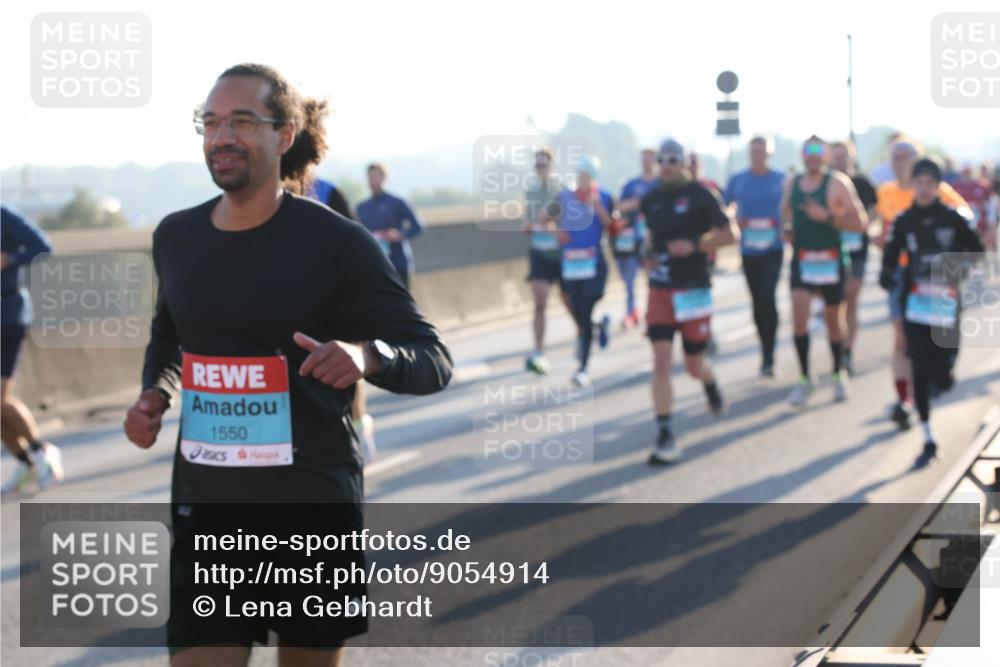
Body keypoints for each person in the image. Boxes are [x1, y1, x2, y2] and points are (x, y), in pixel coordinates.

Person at [123, 63, 453, 666]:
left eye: (242, 122)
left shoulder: (337, 243)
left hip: (309, 508)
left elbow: (434, 359)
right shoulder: (176, 237)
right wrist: (156, 393)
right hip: (209, 512)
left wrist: (366, 356)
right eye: (211, 122)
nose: (222, 137)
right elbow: (168, 338)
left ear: (286, 133)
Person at [880, 158, 983, 468]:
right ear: (913, 185)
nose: (923, 189)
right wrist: (887, 274)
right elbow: (890, 254)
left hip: (946, 303)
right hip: (916, 305)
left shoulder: (953, 219)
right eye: (919, 182)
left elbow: (976, 251)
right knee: (920, 368)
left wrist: (956, 268)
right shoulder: (904, 220)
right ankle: (927, 436)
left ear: (937, 185)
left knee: (943, 375)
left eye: (929, 182)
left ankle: (942, 377)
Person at [642, 139, 737, 464]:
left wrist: (697, 244)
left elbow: (730, 235)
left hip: (693, 287)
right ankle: (665, 432)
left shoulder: (701, 195)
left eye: (672, 159)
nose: (666, 164)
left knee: (694, 366)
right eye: (662, 159)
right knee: (661, 360)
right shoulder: (650, 198)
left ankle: (709, 382)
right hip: (661, 289)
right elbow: (648, 240)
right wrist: (646, 257)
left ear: (682, 162)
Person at [873, 137, 970, 429]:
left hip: (936, 278)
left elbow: (964, 221)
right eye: (896, 156)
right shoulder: (886, 192)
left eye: (907, 155)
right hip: (904, 277)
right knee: (903, 339)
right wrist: (886, 253)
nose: (901, 160)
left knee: (936, 341)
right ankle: (906, 399)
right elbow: (886, 231)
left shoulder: (940, 192)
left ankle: (934, 378)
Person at [782, 136, 868, 406]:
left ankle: (837, 371)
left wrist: (828, 216)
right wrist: (786, 230)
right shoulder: (792, 184)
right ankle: (806, 378)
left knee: (833, 320)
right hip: (803, 259)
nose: (814, 156)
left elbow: (861, 223)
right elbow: (783, 215)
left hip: (831, 259)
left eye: (819, 151)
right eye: (809, 151)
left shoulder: (838, 184)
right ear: (802, 154)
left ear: (827, 156)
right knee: (799, 318)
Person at [305, 178, 375, 461]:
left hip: (336, 296)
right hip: (293, 301)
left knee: (347, 365)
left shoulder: (326, 191)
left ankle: (359, 428)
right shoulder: (259, 193)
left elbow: (356, 242)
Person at [0, 206, 63, 495]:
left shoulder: (4, 217)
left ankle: (42, 451)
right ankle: (27, 464)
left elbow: (43, 247)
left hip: (8, 316)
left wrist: (11, 258)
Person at [724, 136, 787, 377]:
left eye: (761, 151)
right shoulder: (738, 180)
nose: (757, 155)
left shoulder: (781, 179)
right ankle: (764, 350)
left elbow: (790, 208)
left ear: (769, 153)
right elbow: (725, 208)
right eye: (753, 151)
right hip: (749, 250)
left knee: (768, 297)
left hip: (773, 248)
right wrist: (733, 220)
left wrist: (786, 225)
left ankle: (770, 356)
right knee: (757, 301)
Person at [556, 156, 613, 388]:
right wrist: (556, 232)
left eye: (587, 176)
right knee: (579, 312)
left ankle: (583, 367)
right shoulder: (563, 198)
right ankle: (597, 327)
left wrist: (599, 208)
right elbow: (545, 220)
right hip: (571, 265)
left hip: (594, 264)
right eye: (580, 175)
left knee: (586, 310)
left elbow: (613, 227)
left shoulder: (605, 197)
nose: (583, 180)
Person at [829, 140, 877, 376]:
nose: (840, 161)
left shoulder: (863, 184)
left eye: (844, 156)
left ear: (852, 157)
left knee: (851, 300)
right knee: (835, 304)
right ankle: (838, 349)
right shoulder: (825, 184)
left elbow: (870, 217)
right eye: (836, 157)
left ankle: (847, 352)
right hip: (830, 253)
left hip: (857, 251)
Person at [523, 148, 566, 374]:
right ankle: (539, 350)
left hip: (560, 254)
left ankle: (585, 332)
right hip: (539, 252)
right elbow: (528, 221)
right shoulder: (530, 191)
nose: (540, 168)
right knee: (540, 303)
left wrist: (551, 227)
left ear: (551, 166)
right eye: (537, 165)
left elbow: (567, 222)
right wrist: (529, 225)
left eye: (544, 164)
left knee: (570, 301)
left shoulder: (562, 190)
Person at [356, 163, 425, 290]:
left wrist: (400, 234)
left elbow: (418, 226)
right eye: (370, 177)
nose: (372, 180)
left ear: (384, 178)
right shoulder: (362, 207)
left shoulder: (397, 202)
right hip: (375, 265)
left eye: (375, 176)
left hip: (398, 263)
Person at [614, 148, 658, 329]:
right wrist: (637, 203)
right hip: (633, 240)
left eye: (650, 159)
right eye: (644, 159)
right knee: (629, 281)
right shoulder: (631, 185)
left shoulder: (661, 183)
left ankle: (653, 313)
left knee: (653, 279)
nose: (646, 162)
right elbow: (620, 206)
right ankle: (631, 312)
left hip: (654, 239)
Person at [952, 163, 996, 252]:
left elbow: (991, 207)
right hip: (961, 227)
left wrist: (991, 226)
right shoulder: (955, 186)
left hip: (981, 226)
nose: (967, 174)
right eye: (965, 171)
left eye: (969, 171)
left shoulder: (984, 186)